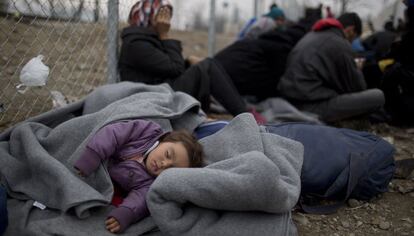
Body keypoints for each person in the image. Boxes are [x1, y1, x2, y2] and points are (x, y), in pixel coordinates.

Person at [119, 0, 265, 123]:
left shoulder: (144, 40)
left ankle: (243, 112)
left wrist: (188, 60)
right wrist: (165, 35)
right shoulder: (136, 44)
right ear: (149, 17)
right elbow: (175, 68)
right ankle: (245, 116)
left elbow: (166, 66)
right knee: (207, 66)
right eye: (162, 16)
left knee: (207, 64)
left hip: (162, 90)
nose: (166, 21)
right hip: (154, 99)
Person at [74, 119, 204, 233]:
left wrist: (126, 213)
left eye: (171, 169)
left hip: (111, 180)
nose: (164, 164)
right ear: (164, 140)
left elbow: (141, 199)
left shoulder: (151, 182)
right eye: (168, 154)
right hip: (97, 153)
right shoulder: (146, 131)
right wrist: (93, 155)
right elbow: (113, 133)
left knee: (108, 203)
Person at [277, 13, 385, 122]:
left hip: (290, 99)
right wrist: (357, 68)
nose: (352, 43)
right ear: (351, 30)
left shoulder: (312, 35)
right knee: (378, 96)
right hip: (309, 106)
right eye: (353, 39)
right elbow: (358, 88)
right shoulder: (340, 44)